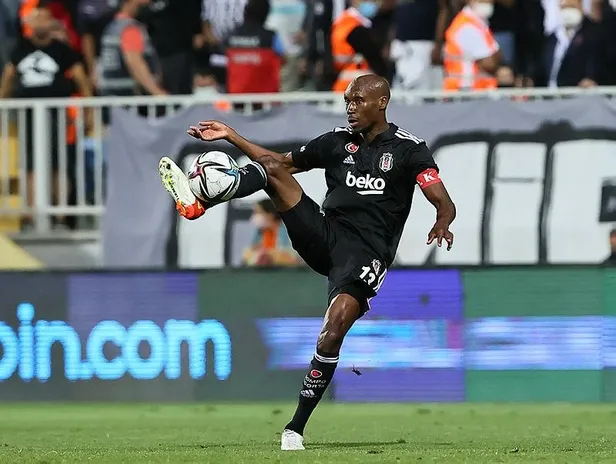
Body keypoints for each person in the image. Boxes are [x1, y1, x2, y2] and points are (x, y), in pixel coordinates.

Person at [158, 74, 456, 450]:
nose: (350, 108)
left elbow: (443, 201)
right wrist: (232, 136)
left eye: (358, 101)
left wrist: (442, 222)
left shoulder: (409, 149)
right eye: (347, 101)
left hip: (366, 254)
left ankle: (294, 428)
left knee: (333, 330)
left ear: (382, 102)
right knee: (272, 173)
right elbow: (278, 163)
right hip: (324, 233)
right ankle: (200, 202)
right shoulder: (336, 142)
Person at [330, 0, 391, 92]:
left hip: (344, 85)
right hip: (359, 87)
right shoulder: (355, 27)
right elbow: (373, 57)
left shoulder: (343, 20)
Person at [442, 0, 501, 91]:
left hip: (475, 89)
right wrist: (495, 56)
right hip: (464, 90)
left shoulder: (479, 23)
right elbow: (489, 64)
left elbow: (497, 55)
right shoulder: (467, 26)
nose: (488, 3)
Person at [242, 199, 300, 267]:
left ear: (270, 214)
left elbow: (293, 258)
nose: (254, 216)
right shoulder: (260, 232)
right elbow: (248, 255)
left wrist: (269, 255)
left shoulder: (290, 230)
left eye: (258, 212)